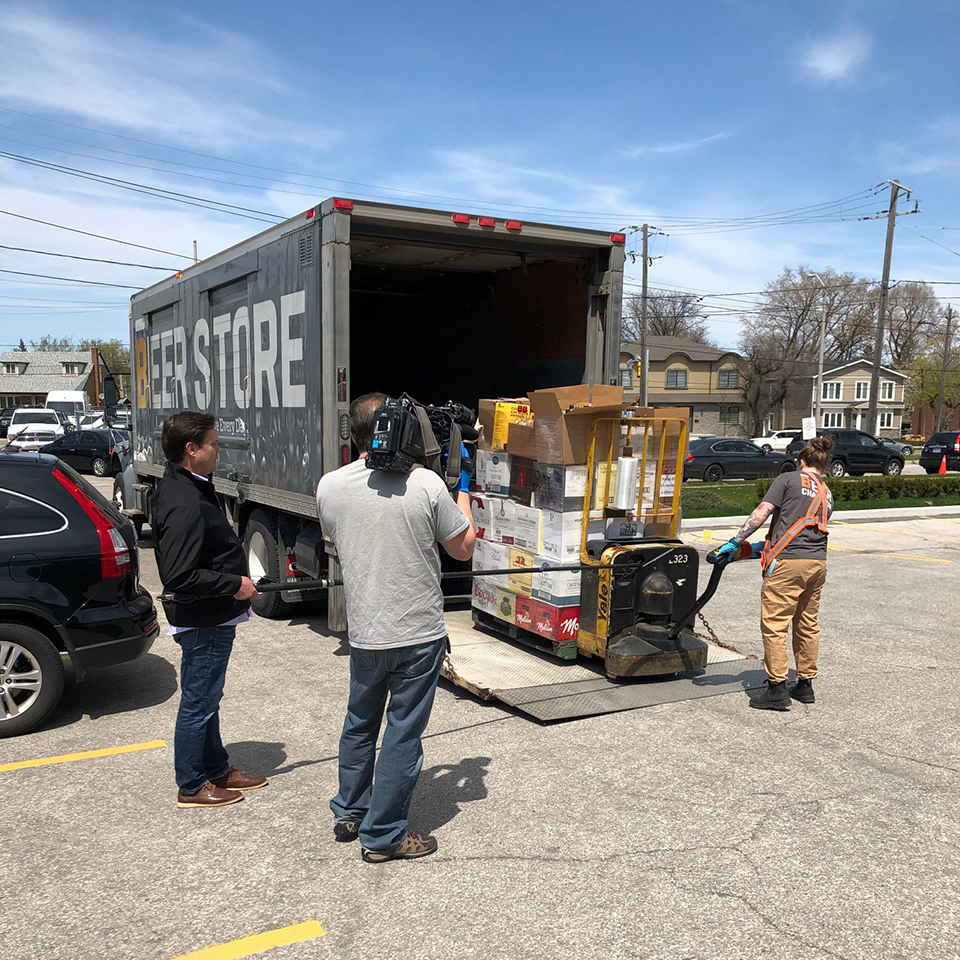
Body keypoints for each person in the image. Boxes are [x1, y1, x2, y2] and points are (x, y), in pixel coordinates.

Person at [316, 393, 476, 862]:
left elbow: (342, 535)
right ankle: (384, 834)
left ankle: (351, 809)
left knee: (360, 722)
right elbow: (463, 548)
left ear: (355, 433)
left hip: (365, 630)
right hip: (418, 633)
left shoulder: (330, 486)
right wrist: (460, 480)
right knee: (402, 733)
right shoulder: (426, 484)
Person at [152, 412, 266, 808]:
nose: (219, 450)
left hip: (212, 615)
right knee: (198, 700)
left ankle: (217, 768)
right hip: (204, 619)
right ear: (191, 449)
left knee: (207, 697)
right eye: (213, 444)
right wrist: (235, 584)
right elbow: (179, 575)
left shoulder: (189, 485)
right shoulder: (183, 501)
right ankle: (191, 784)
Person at [712, 435, 834, 711]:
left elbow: (762, 512)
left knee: (775, 625)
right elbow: (799, 530)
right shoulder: (826, 493)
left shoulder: (788, 479)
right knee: (807, 623)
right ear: (822, 467)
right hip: (817, 564)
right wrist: (752, 549)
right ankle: (805, 685)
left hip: (788, 566)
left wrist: (735, 540)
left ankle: (777, 688)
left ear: (800, 461)